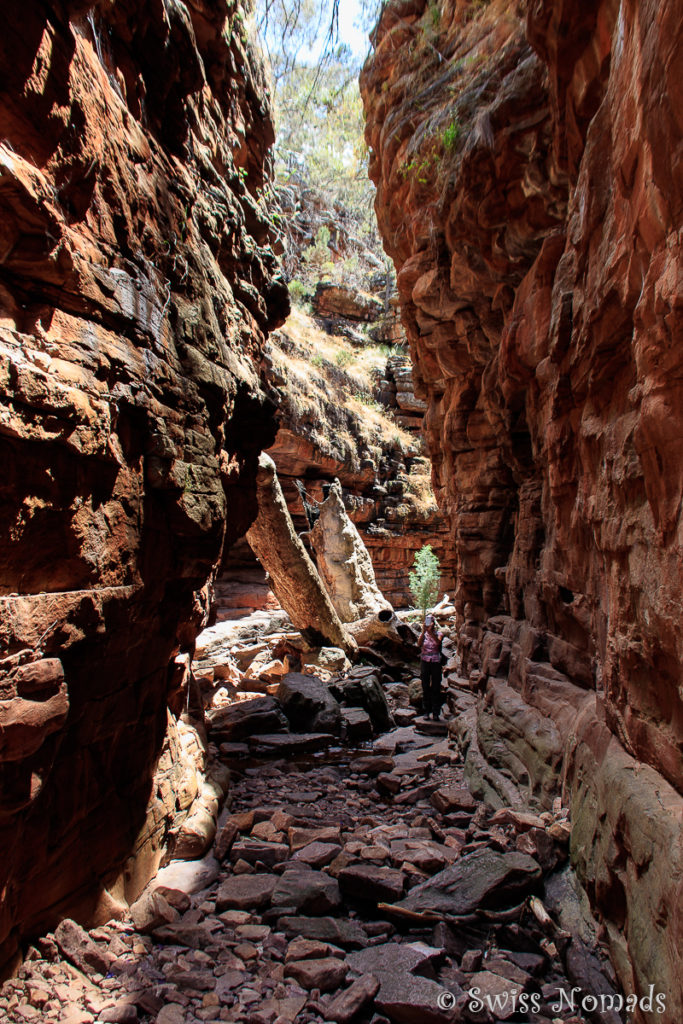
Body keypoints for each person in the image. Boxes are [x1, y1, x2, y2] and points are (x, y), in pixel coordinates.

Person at [418, 613, 444, 720]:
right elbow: (418, 644)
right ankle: (426, 711)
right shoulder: (423, 635)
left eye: (430, 621)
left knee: (436, 687)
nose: (429, 623)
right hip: (425, 662)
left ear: (434, 623)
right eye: (427, 621)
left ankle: (436, 712)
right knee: (425, 686)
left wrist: (430, 632)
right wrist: (424, 631)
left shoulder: (439, 633)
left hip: (435, 663)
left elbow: (438, 642)